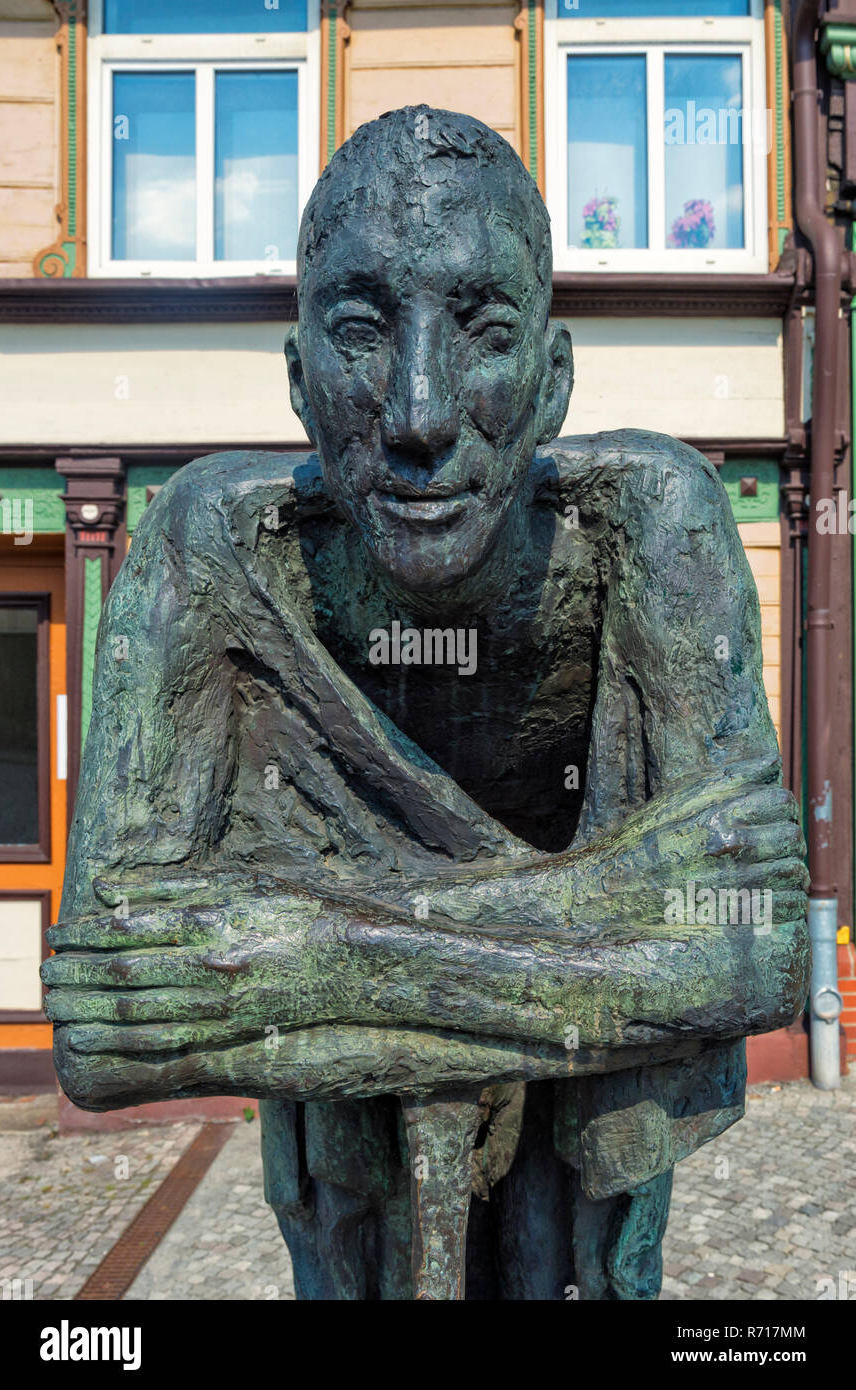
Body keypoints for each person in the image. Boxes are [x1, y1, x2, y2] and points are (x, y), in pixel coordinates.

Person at [42, 107, 808, 1300]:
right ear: (297, 379)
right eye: (358, 331)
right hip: (353, 1203)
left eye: (482, 330)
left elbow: (754, 947)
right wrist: (608, 909)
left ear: (552, 383)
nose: (416, 414)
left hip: (583, 1212)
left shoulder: (653, 525)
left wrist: (298, 937)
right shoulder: (211, 548)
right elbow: (106, 1015)